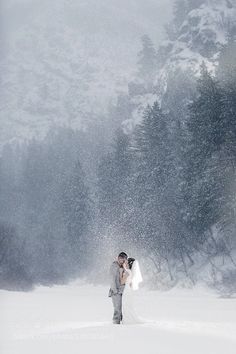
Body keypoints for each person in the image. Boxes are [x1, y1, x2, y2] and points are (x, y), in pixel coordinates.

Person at [120, 257, 144, 324]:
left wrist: (121, 273)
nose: (125, 263)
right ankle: (129, 319)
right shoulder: (131, 272)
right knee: (129, 305)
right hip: (129, 291)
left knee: (126, 305)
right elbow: (131, 283)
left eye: (127, 262)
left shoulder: (127, 272)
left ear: (129, 264)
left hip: (126, 290)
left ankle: (128, 320)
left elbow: (122, 282)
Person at [108, 252, 128, 324]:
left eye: (123, 259)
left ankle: (123, 322)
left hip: (122, 291)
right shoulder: (114, 266)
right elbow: (112, 279)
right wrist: (115, 290)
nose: (121, 260)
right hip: (115, 292)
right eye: (120, 259)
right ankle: (116, 323)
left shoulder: (124, 267)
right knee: (117, 308)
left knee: (123, 308)